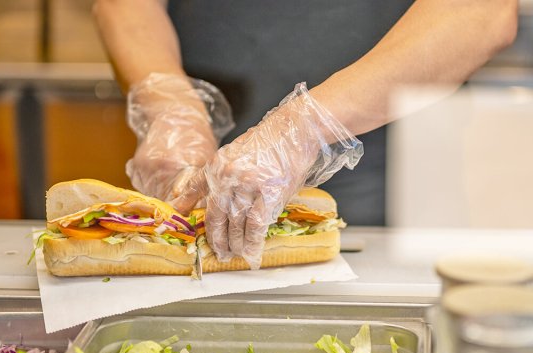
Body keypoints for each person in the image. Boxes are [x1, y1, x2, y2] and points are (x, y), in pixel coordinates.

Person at [92, 0, 517, 269]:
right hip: (203, 164)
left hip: (399, 176)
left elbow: (481, 11)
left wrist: (304, 127)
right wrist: (171, 108)